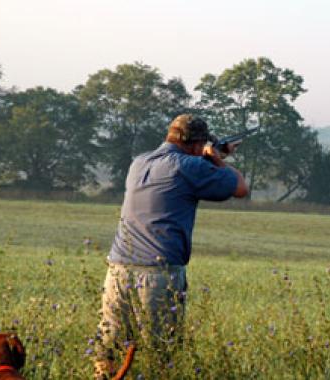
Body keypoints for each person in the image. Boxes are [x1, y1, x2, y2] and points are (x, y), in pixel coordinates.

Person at [93, 114, 248, 379]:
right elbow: (241, 188)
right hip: (158, 274)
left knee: (109, 349)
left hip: (117, 268)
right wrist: (216, 158)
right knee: (161, 355)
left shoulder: (139, 162)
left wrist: (204, 156)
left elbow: (173, 172)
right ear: (197, 144)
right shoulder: (191, 166)